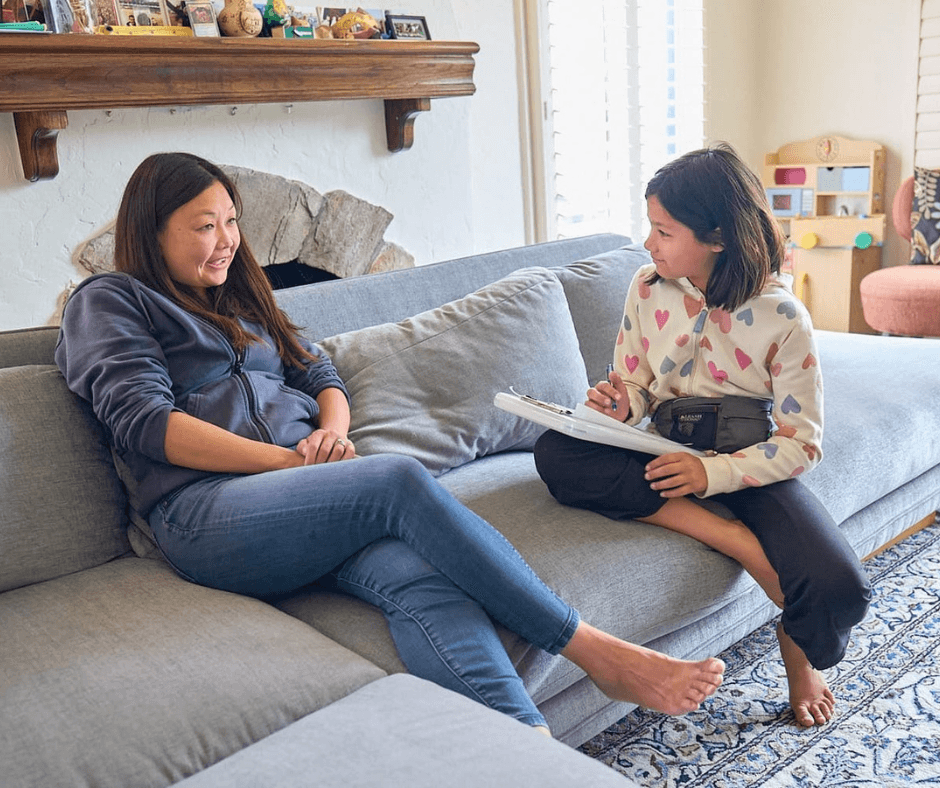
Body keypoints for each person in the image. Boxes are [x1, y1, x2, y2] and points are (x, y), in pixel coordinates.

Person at [54, 152, 725, 737]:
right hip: (206, 513)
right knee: (396, 482)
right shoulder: (112, 300)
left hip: (302, 494)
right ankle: (595, 650)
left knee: (424, 584)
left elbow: (317, 370)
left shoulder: (240, 297)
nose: (227, 241)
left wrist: (331, 433)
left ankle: (529, 753)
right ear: (152, 230)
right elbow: (145, 422)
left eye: (232, 221)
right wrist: (290, 463)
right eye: (206, 227)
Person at [534, 143, 871, 728]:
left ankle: (799, 659)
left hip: (746, 460)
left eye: (663, 231)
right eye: (650, 228)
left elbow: (802, 443)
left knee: (841, 587)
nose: (648, 243)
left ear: (717, 237)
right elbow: (635, 385)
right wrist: (619, 405)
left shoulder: (782, 315)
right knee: (554, 450)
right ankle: (732, 539)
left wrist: (711, 474)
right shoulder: (646, 286)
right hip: (662, 448)